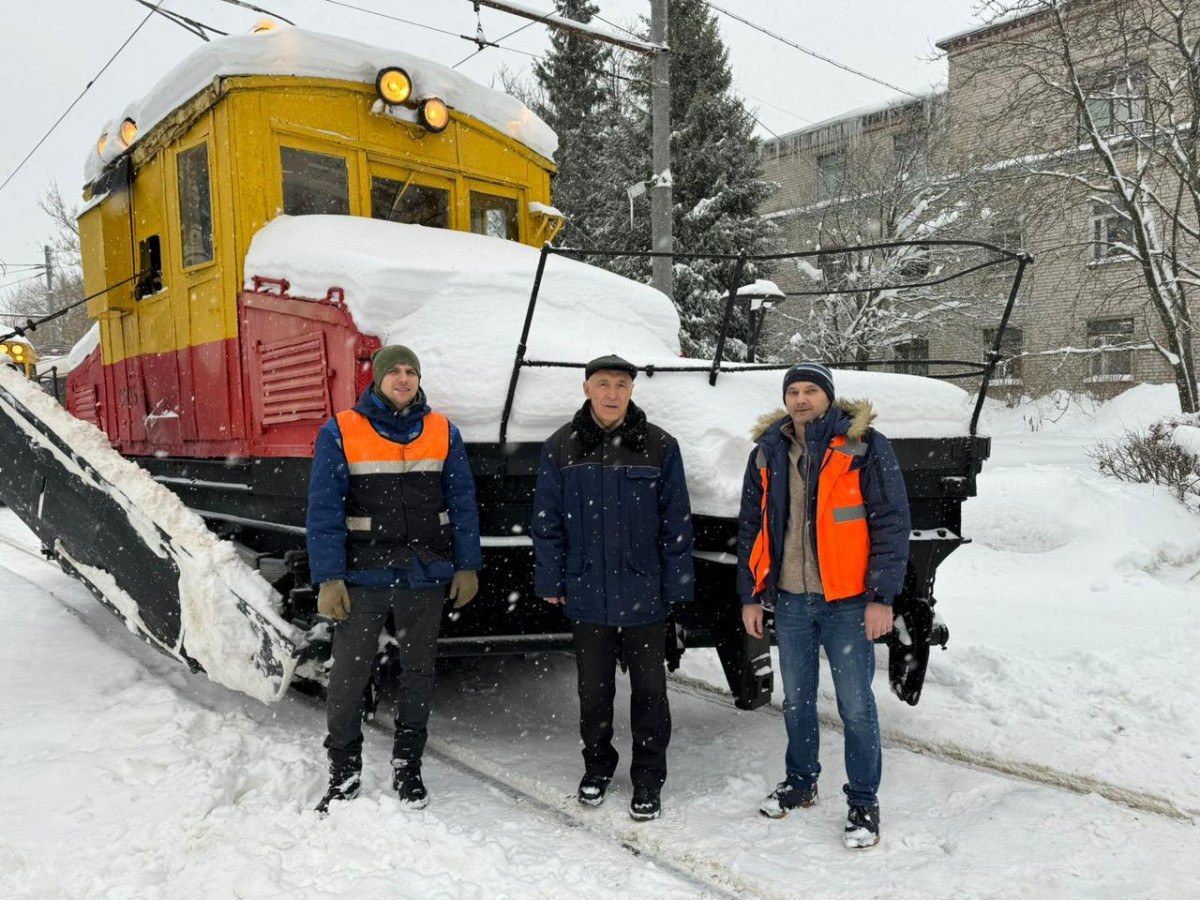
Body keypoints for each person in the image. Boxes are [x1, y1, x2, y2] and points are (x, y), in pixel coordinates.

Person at [737, 362, 910, 849]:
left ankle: (862, 802)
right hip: (791, 600)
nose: (801, 399)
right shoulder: (768, 452)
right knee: (796, 700)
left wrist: (882, 598)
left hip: (849, 603)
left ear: (828, 397)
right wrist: (751, 594)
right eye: (793, 391)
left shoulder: (864, 446)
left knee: (856, 706)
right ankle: (800, 782)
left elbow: (892, 525)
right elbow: (752, 528)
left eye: (811, 390)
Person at [306, 344, 481, 815]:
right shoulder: (341, 429)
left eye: (411, 372)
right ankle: (344, 772)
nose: (404, 379)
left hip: (424, 574)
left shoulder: (443, 430)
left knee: (418, 673)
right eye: (395, 372)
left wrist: (468, 565)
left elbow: (462, 503)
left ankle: (408, 765)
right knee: (348, 675)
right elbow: (323, 510)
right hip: (364, 575)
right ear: (378, 378)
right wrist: (329, 577)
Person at [532, 354, 694, 822]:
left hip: (645, 591)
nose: (612, 394)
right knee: (594, 692)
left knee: (650, 691)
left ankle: (648, 777)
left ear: (631, 392)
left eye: (621, 385)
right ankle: (597, 768)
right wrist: (552, 578)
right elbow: (546, 522)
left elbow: (676, 523)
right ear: (587, 390)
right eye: (603, 384)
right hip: (586, 590)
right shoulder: (561, 447)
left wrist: (676, 585)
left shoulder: (660, 446)